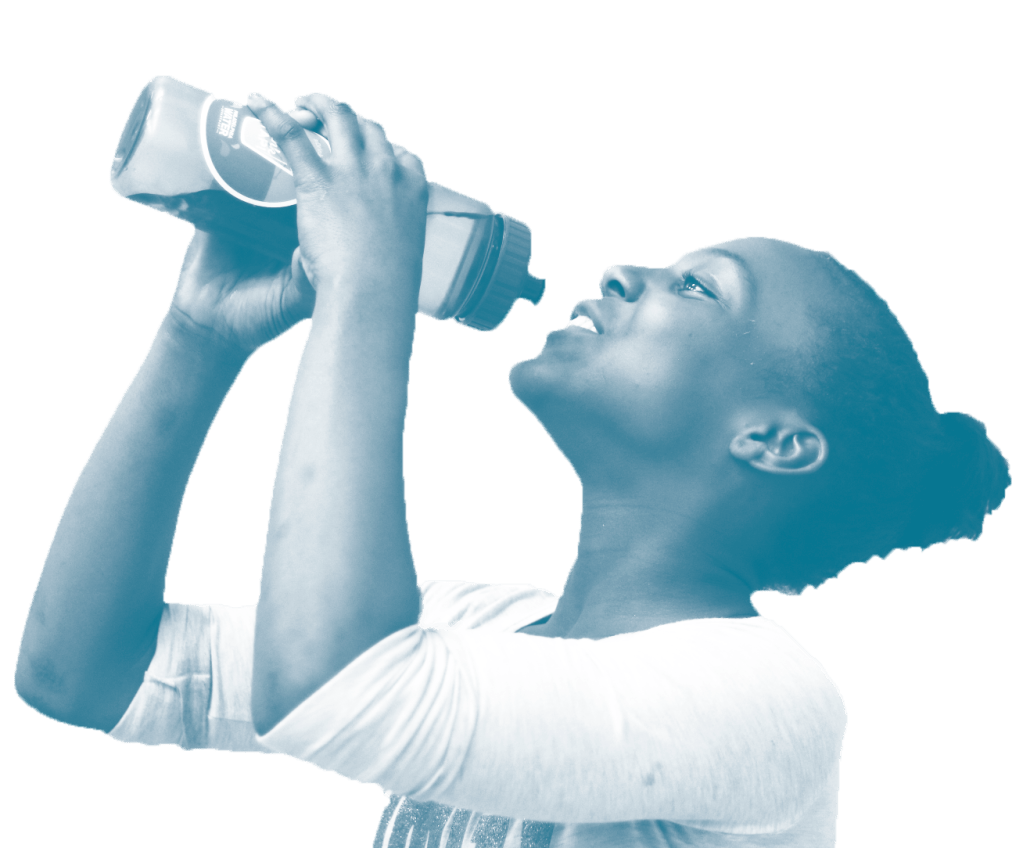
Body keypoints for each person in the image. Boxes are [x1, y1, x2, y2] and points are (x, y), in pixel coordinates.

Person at [13, 91, 1010, 848]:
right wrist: (199, 336)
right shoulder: (478, 628)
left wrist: (369, 283)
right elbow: (86, 671)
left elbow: (339, 686)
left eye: (701, 287)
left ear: (775, 440)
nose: (626, 271)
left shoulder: (769, 699)